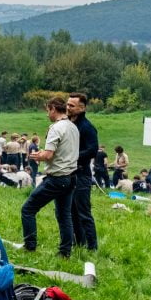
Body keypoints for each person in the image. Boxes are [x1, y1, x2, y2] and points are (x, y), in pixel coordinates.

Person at [22, 97, 80, 257]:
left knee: (28, 209)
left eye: (48, 110)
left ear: (53, 109)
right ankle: (65, 252)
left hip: (56, 178)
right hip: (71, 177)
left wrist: (37, 156)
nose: (48, 114)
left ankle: (30, 246)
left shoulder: (56, 128)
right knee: (64, 215)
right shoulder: (73, 127)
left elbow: (48, 154)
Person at [67, 93, 99, 252]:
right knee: (72, 211)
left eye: (72, 106)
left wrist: (73, 157)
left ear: (82, 108)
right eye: (67, 104)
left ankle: (92, 247)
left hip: (82, 174)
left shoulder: (87, 127)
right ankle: (79, 243)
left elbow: (93, 150)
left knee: (83, 212)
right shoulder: (68, 124)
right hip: (69, 174)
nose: (68, 108)